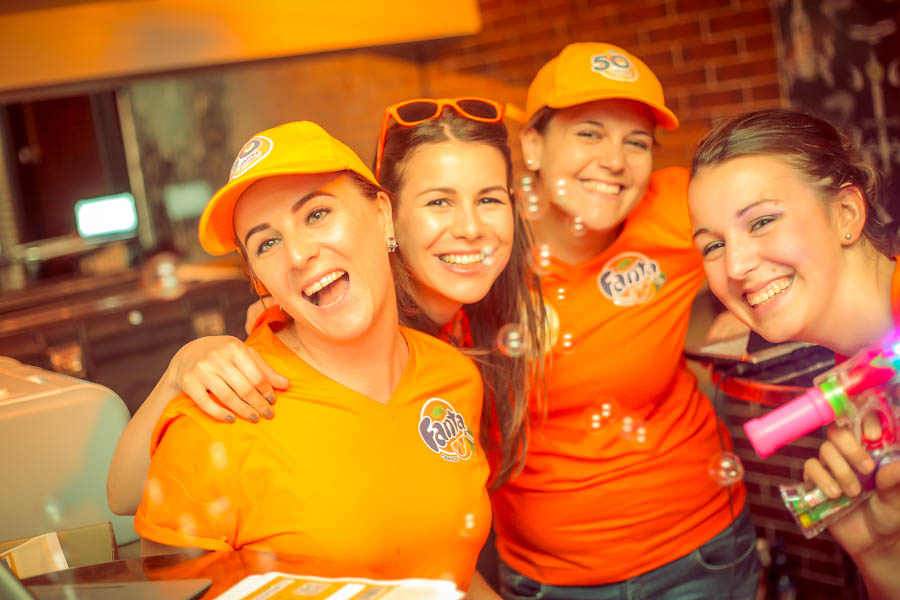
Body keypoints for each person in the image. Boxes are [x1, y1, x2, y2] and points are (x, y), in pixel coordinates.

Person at [106, 100, 545, 521]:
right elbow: (128, 494)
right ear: (388, 212)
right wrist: (182, 367)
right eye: (438, 202)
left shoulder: (478, 335)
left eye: (489, 200)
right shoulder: (304, 338)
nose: (469, 228)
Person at [133, 120, 497, 595]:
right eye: (267, 242)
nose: (299, 253)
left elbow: (453, 574)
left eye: (317, 214)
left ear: (383, 215)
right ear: (259, 278)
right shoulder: (215, 421)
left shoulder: (454, 376)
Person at [488, 42, 758, 599]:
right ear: (532, 145)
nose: (615, 160)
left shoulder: (678, 206)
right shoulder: (477, 248)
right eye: (589, 133)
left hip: (699, 556)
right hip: (548, 580)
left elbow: (809, 235)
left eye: (636, 142)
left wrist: (756, 313)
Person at [688, 108, 900, 600]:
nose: (735, 266)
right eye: (713, 246)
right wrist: (879, 555)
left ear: (845, 214)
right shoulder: (858, 375)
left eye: (762, 221)